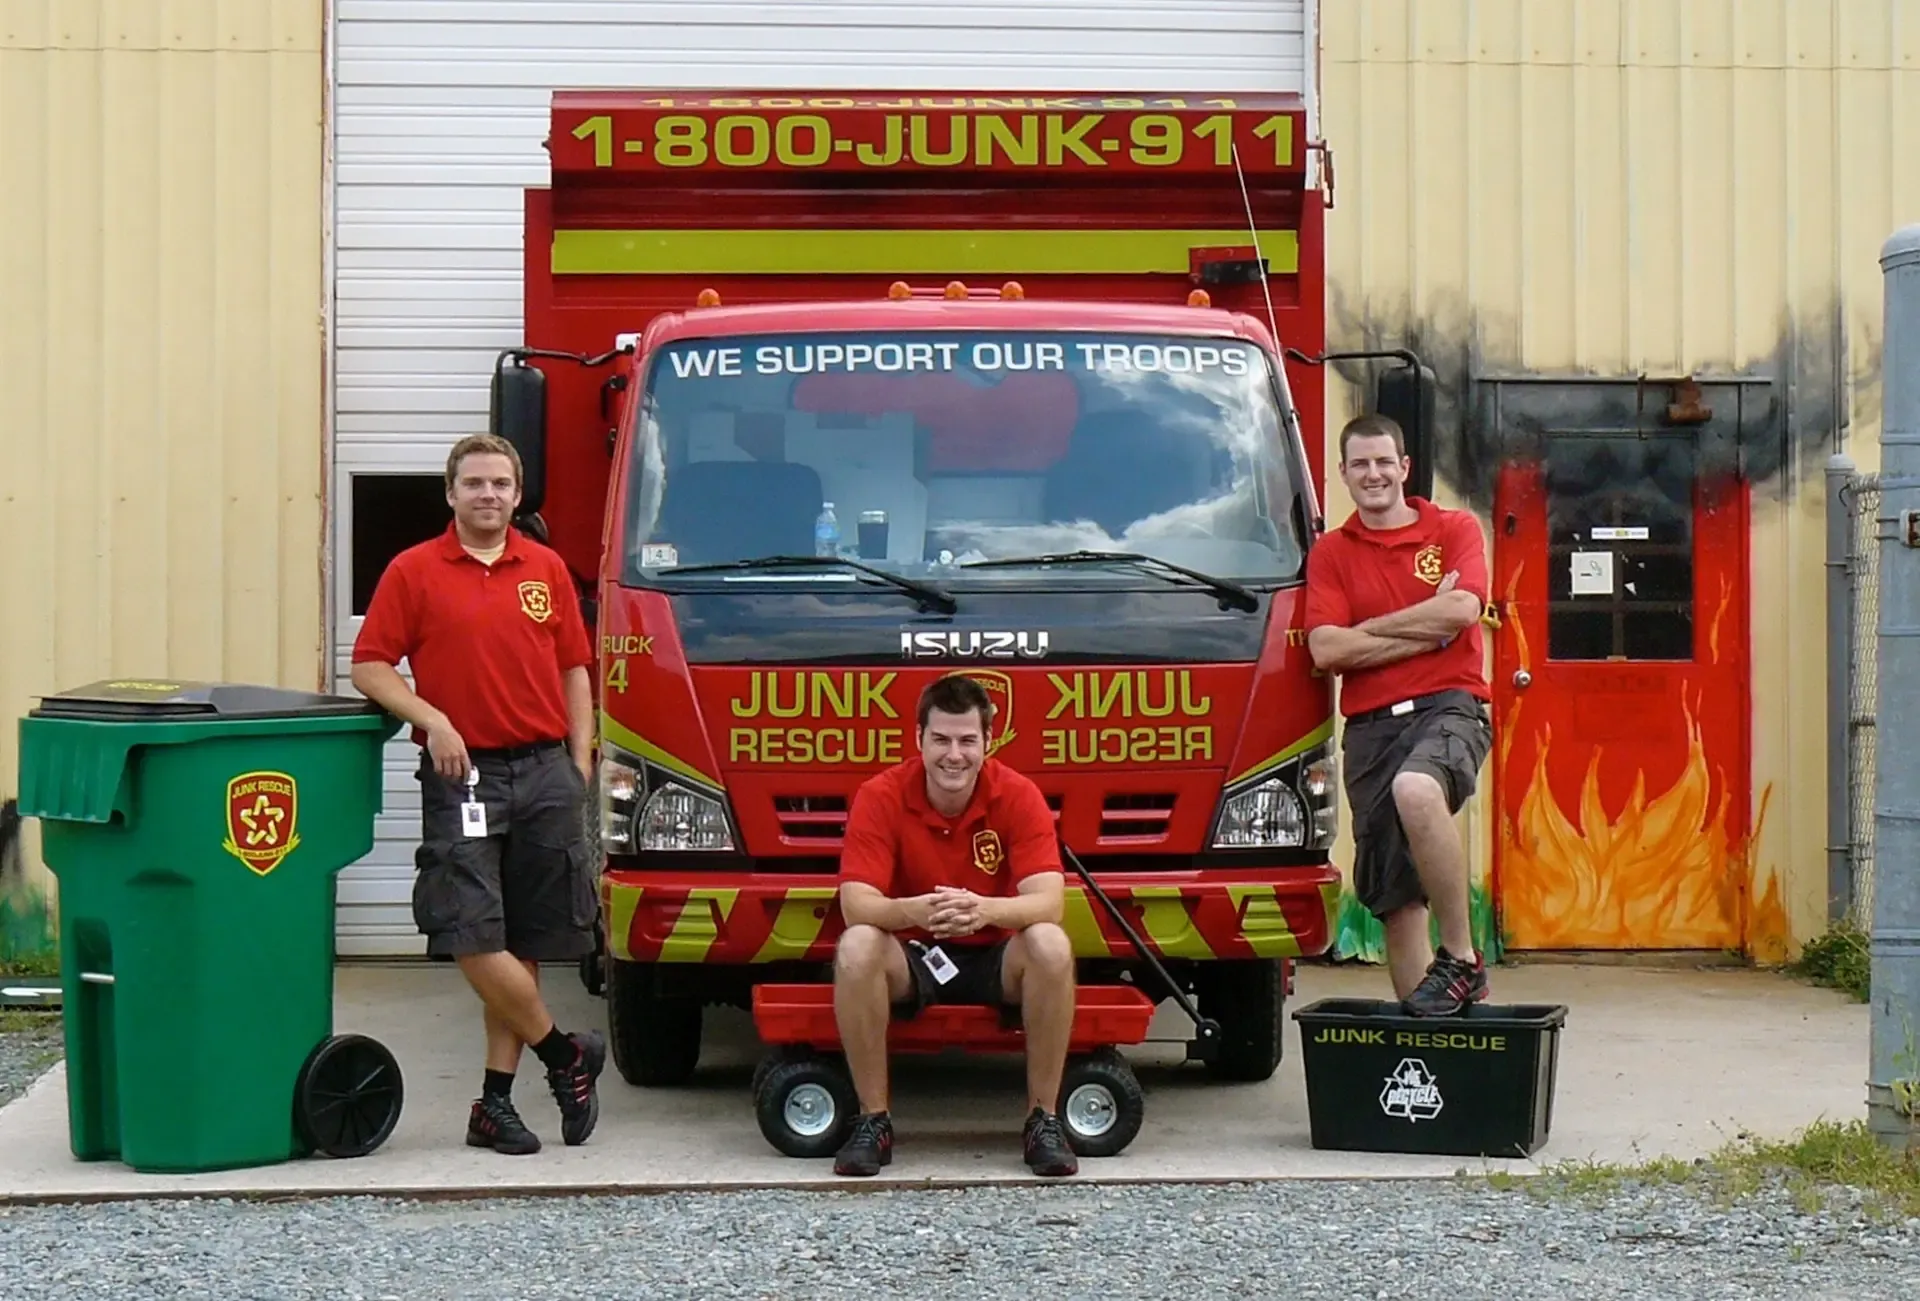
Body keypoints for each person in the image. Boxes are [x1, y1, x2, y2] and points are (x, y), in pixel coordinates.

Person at [350, 433, 607, 1155]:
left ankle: (493, 1104)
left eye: (500, 483)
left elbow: (575, 668)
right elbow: (370, 663)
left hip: (545, 771)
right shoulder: (415, 570)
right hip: (464, 775)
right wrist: (432, 720)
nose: (488, 494)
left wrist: (579, 760)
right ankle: (566, 1054)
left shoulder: (546, 568)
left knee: (522, 939)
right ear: (450, 494)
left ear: (517, 495)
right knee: (470, 931)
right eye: (474, 483)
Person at [828, 674, 1081, 1178]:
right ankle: (873, 1120)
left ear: (989, 742)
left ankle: (1044, 1121)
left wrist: (984, 910)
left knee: (1051, 943)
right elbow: (856, 903)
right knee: (856, 945)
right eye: (941, 739)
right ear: (918, 738)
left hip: (996, 954)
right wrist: (915, 912)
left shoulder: (1019, 794)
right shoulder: (878, 795)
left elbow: (1050, 901)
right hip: (913, 954)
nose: (954, 755)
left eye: (968, 740)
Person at [1303, 413, 1494, 1017]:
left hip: (1451, 706)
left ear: (1405, 468)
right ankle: (1426, 1038)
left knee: (1417, 789)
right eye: (1360, 464)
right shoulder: (1332, 553)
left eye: (1384, 461)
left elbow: (1463, 609)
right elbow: (1326, 650)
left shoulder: (1453, 529)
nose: (1373, 474)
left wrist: (1368, 635)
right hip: (1370, 728)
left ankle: (1462, 958)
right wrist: (1423, 628)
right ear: (1343, 474)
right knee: (1396, 898)